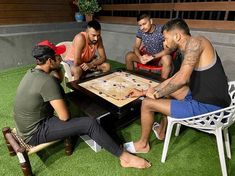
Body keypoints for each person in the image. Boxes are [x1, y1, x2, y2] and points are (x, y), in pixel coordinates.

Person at [13, 40, 151, 169]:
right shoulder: (46, 82)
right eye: (58, 56)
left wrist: (58, 67)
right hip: (35, 132)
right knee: (89, 123)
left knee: (67, 98)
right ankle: (125, 157)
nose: (61, 58)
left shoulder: (32, 73)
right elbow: (64, 117)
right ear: (49, 60)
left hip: (25, 126)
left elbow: (57, 81)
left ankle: (110, 138)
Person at [124, 18, 231, 153]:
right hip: (201, 97)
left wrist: (155, 95)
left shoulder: (196, 42)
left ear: (177, 36)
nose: (164, 42)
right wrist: (144, 91)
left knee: (147, 104)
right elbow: (175, 78)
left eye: (165, 38)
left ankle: (143, 145)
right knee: (167, 90)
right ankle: (162, 131)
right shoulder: (187, 49)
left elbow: (181, 79)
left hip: (212, 108)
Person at [125, 13, 173, 79]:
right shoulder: (140, 31)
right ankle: (129, 79)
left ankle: (162, 84)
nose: (142, 27)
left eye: (144, 24)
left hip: (159, 59)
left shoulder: (161, 30)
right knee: (129, 56)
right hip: (146, 58)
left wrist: (152, 57)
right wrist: (140, 57)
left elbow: (167, 50)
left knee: (167, 58)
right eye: (140, 25)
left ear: (151, 21)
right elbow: (136, 47)